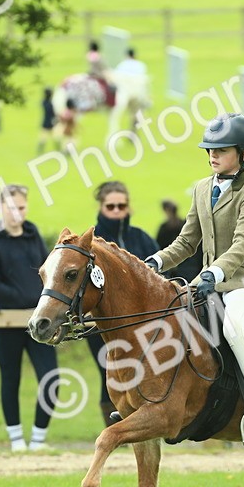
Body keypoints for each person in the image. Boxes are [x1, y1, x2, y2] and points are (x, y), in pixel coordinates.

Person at [145, 113, 244, 445]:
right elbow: (187, 241)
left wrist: (214, 272)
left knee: (233, 327)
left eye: (221, 149)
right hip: (212, 281)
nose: (212, 155)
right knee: (171, 318)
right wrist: (156, 261)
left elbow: (243, 244)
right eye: (210, 149)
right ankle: (151, 401)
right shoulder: (202, 188)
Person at [0, 184, 60, 452]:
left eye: (21, 207)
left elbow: (47, 270)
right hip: (5, 321)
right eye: (11, 207)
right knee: (10, 378)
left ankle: (38, 439)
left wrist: (41, 303)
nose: (17, 212)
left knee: (51, 378)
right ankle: (16, 439)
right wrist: (24, 299)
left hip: (39, 320)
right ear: (1, 208)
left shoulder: (32, 233)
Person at [87, 181, 159, 425]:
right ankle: (116, 427)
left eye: (122, 205)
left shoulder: (141, 238)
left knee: (147, 371)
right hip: (102, 325)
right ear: (101, 207)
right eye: (111, 206)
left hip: (143, 325)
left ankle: (144, 422)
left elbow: (159, 277)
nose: (117, 210)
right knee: (109, 374)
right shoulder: (92, 244)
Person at [155, 200, 199, 283]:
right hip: (192, 268)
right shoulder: (185, 224)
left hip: (176, 269)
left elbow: (159, 246)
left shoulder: (164, 228)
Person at [36, 87, 56, 154]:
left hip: (45, 122)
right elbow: (53, 114)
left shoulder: (43, 102)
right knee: (55, 137)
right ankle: (58, 150)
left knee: (43, 137)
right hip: (51, 123)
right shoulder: (50, 104)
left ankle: (40, 150)